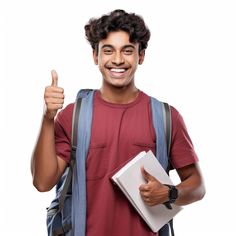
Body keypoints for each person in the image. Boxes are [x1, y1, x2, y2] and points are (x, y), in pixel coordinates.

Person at [31, 9, 205, 236]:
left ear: (141, 56)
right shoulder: (73, 116)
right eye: (108, 50)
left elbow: (197, 186)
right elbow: (43, 182)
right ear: (96, 56)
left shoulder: (166, 117)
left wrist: (169, 193)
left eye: (128, 50)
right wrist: (47, 118)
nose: (118, 60)